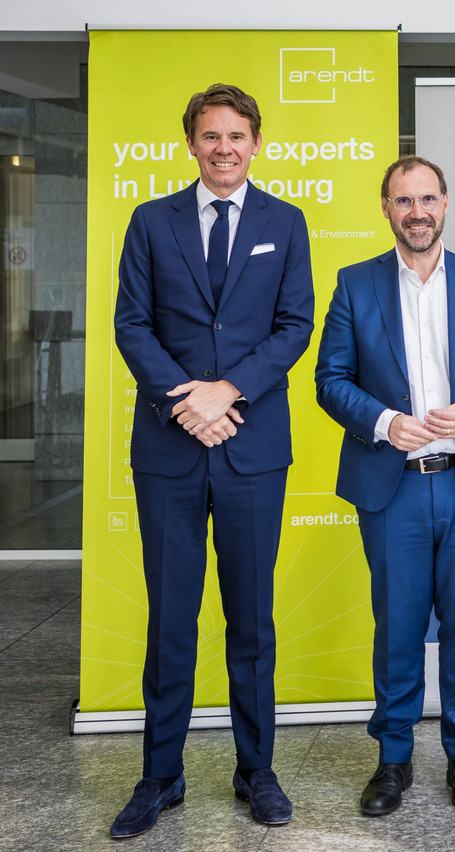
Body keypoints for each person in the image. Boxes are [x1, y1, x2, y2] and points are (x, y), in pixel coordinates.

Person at [110, 84, 314, 837]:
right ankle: (160, 776)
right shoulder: (150, 222)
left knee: (251, 621)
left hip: (252, 449)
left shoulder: (284, 223)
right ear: (190, 143)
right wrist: (184, 402)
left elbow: (295, 326)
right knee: (171, 619)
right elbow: (132, 324)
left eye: (236, 136)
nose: (224, 148)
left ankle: (256, 770)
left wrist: (228, 392)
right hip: (169, 447)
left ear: (256, 143)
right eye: (210, 136)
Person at [314, 156, 455, 817]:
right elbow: (330, 379)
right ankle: (393, 760)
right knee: (397, 628)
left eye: (427, 198)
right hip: (392, 487)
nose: (417, 211)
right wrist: (382, 421)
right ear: (385, 209)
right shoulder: (354, 284)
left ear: (446, 204)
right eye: (404, 201)